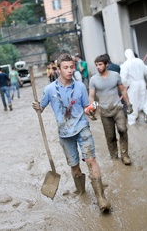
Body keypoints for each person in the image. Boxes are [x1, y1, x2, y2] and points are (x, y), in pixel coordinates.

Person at [32, 53, 111, 212]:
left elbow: (85, 107)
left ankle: (101, 198)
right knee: (74, 167)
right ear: (58, 69)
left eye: (71, 67)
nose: (69, 70)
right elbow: (41, 107)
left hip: (82, 128)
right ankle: (81, 192)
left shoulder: (80, 86)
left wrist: (92, 110)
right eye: (65, 68)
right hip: (64, 133)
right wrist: (37, 107)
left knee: (91, 160)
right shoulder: (49, 89)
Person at [89, 54, 133, 165]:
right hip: (104, 111)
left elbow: (122, 90)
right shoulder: (93, 79)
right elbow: (91, 96)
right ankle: (114, 157)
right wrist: (92, 110)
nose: (98, 67)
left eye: (100, 64)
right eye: (96, 65)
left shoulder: (115, 75)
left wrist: (129, 104)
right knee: (110, 136)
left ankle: (125, 155)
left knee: (123, 130)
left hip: (118, 108)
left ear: (106, 64)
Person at [120, 49, 147, 125]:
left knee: (132, 102)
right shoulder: (140, 61)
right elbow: (146, 71)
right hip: (142, 83)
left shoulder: (125, 64)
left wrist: (127, 84)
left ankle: (132, 122)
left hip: (133, 85)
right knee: (146, 101)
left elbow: (123, 78)